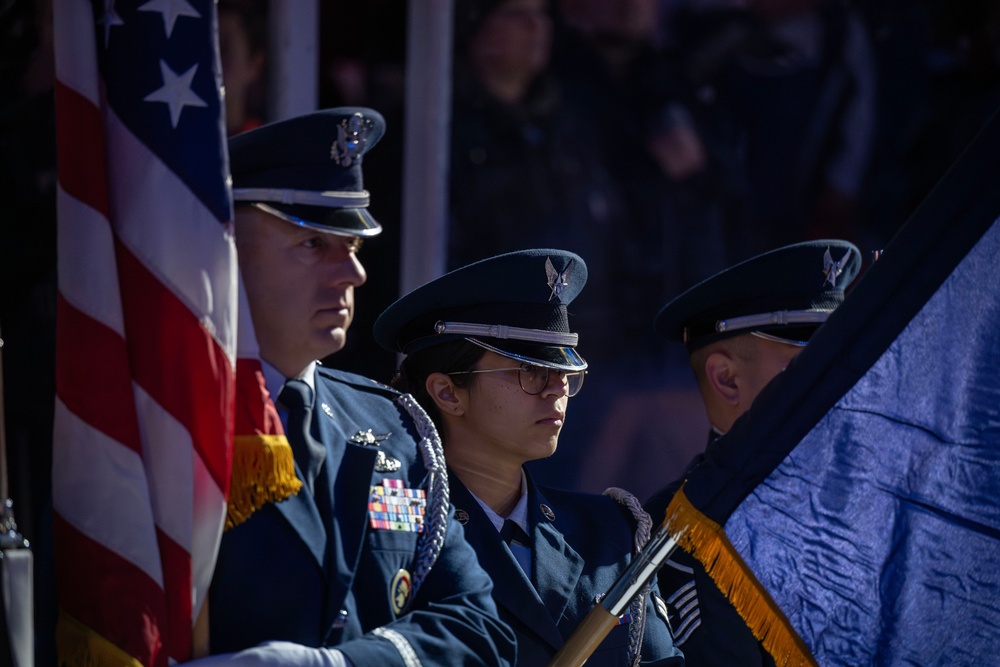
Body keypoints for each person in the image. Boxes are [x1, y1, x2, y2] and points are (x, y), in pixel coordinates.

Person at [195, 108, 516, 665]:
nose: (353, 274)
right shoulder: (165, 419)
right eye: (313, 245)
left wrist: (343, 665)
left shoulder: (393, 425)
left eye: (353, 247)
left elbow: (480, 629)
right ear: (228, 254)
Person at [372, 248, 685, 666]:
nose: (557, 388)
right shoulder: (394, 535)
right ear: (447, 392)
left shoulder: (609, 530)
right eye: (530, 371)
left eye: (564, 372)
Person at [643, 239, 861, 666]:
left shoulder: (869, 497)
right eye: (808, 366)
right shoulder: (689, 526)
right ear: (726, 379)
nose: (835, 383)